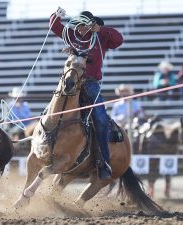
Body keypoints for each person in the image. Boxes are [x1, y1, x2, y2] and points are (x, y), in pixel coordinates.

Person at [50, 8, 124, 179]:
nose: (81, 29)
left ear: (92, 26)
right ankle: (46, 145)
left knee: (100, 119)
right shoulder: (72, 35)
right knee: (52, 110)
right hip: (70, 81)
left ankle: (104, 162)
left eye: (85, 26)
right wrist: (56, 15)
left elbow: (119, 40)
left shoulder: (102, 37)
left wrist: (101, 30)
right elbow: (55, 27)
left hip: (91, 83)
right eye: (80, 25)